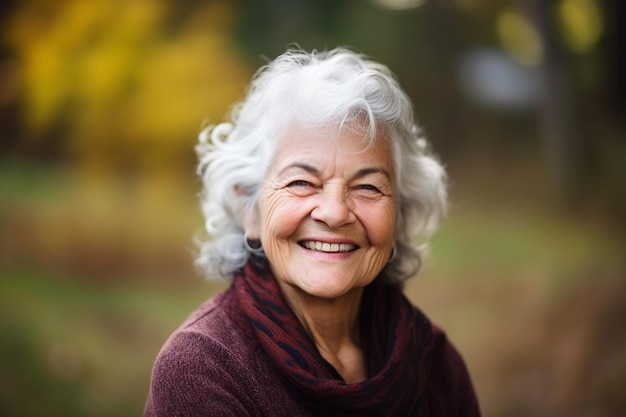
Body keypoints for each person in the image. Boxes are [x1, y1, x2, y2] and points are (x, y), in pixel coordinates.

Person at [144, 46, 480, 416]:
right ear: (249, 210)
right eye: (302, 182)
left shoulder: (435, 364)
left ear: (399, 216)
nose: (335, 213)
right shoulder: (205, 368)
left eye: (368, 187)